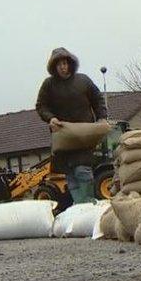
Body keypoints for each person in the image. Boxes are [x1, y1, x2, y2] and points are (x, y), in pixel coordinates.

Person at [35, 47, 107, 204]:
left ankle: (88, 203)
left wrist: (102, 118)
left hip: (84, 134)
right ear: (54, 67)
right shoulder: (49, 85)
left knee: (83, 170)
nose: (63, 66)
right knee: (71, 175)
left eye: (65, 63)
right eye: (59, 64)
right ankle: (80, 206)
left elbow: (98, 99)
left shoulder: (83, 81)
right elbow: (41, 106)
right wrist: (50, 118)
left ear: (70, 64)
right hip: (63, 135)